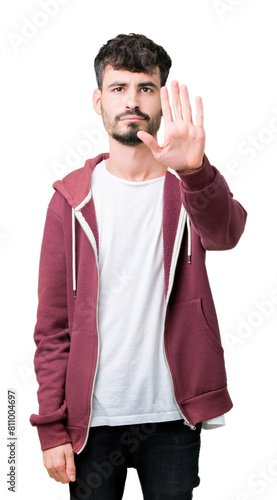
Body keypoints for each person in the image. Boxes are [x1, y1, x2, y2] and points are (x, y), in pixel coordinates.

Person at [30, 33, 247, 499]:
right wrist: (50, 427)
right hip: (91, 421)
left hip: (172, 416)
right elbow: (52, 327)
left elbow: (226, 234)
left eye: (145, 88)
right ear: (98, 100)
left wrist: (195, 172)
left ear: (161, 97)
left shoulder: (188, 185)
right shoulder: (70, 201)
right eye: (119, 87)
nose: (132, 100)